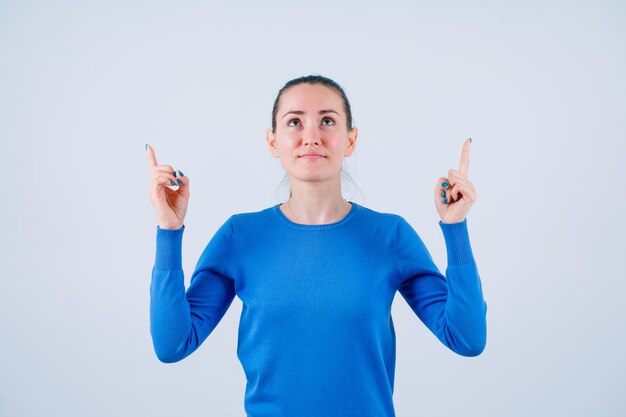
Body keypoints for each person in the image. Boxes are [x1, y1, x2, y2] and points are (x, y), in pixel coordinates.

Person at [146, 74, 487, 417]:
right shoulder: (240, 236)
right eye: (294, 122)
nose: (311, 136)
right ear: (273, 141)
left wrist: (455, 227)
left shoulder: (389, 236)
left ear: (350, 140)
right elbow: (173, 344)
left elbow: (466, 338)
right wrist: (169, 230)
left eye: (327, 121)